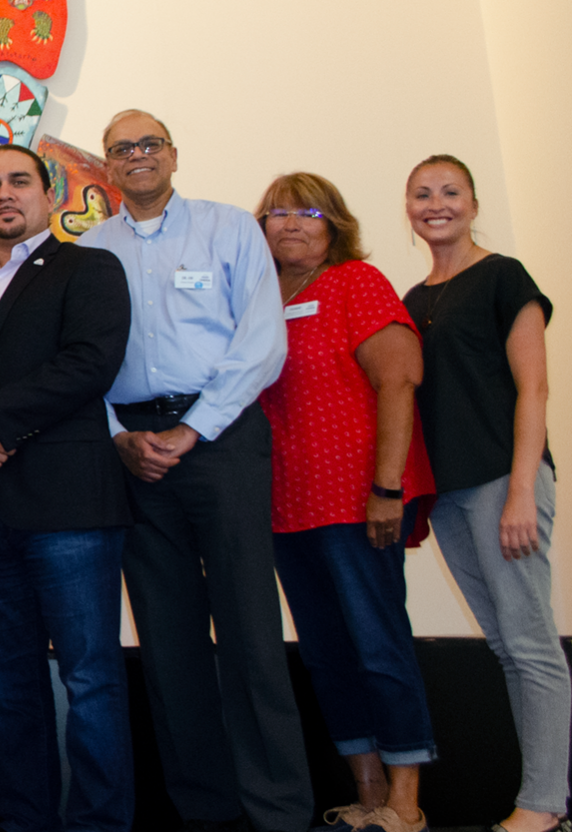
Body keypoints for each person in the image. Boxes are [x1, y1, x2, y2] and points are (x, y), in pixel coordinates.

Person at [77, 109, 304, 832]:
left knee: (251, 633)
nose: (136, 156)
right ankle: (204, 813)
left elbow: (262, 341)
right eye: (121, 149)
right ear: (107, 167)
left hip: (223, 440)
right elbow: (82, 364)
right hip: (132, 455)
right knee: (169, 644)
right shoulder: (90, 251)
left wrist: (192, 428)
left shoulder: (230, 227)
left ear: (172, 154)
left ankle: (277, 812)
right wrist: (119, 437)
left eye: (148, 144)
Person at [0, 144, 135, 832]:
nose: (4, 194)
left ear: (47, 194)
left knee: (92, 682)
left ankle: (101, 824)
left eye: (19, 181)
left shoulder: (89, 268)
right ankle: (25, 822)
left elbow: (91, 362)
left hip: (70, 507)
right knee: (6, 687)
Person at [251, 172, 439, 832]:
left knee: (379, 646)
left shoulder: (357, 282)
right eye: (277, 213)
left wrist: (388, 488)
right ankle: (367, 797)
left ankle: (407, 802)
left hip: (359, 504)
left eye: (309, 212)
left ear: (335, 224)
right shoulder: (257, 301)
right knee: (328, 653)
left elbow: (399, 379)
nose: (292, 224)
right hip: (285, 509)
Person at [400, 155, 567, 832]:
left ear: (472, 202)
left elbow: (535, 388)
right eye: (421, 194)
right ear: (407, 207)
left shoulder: (503, 277)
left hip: (506, 482)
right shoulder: (413, 300)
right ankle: (539, 799)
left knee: (530, 645)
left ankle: (544, 804)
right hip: (452, 496)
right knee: (505, 645)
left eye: (449, 192)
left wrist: (523, 490)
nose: (436, 204)